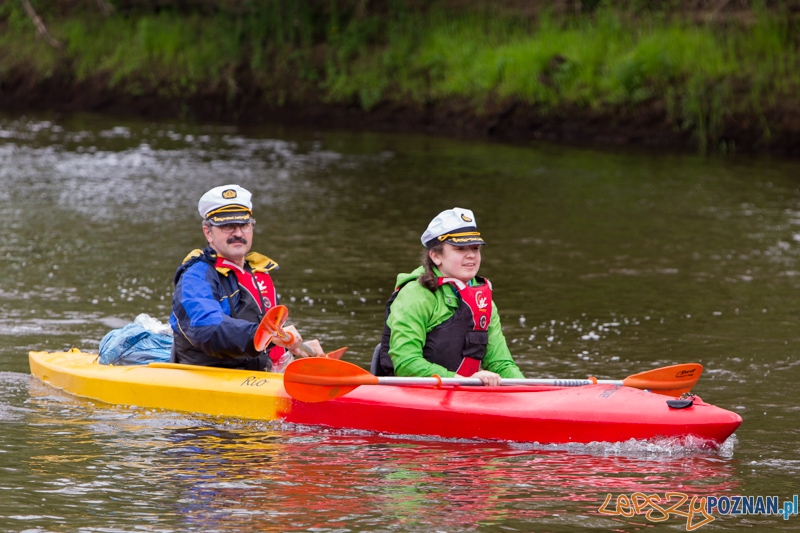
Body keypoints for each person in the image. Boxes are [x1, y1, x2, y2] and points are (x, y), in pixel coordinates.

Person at [170, 184, 323, 371]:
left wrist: (294, 346)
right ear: (208, 232)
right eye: (227, 226)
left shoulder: (256, 271)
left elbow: (265, 340)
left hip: (252, 375)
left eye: (244, 225)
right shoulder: (195, 276)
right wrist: (268, 335)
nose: (238, 233)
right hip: (209, 374)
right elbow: (207, 329)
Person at [376, 207, 525, 385]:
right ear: (436, 256)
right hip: (415, 391)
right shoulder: (415, 295)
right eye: (460, 249)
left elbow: (500, 363)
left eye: (475, 248)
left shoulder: (483, 301)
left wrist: (530, 390)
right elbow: (406, 363)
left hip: (463, 389)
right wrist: (461, 381)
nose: (471, 255)